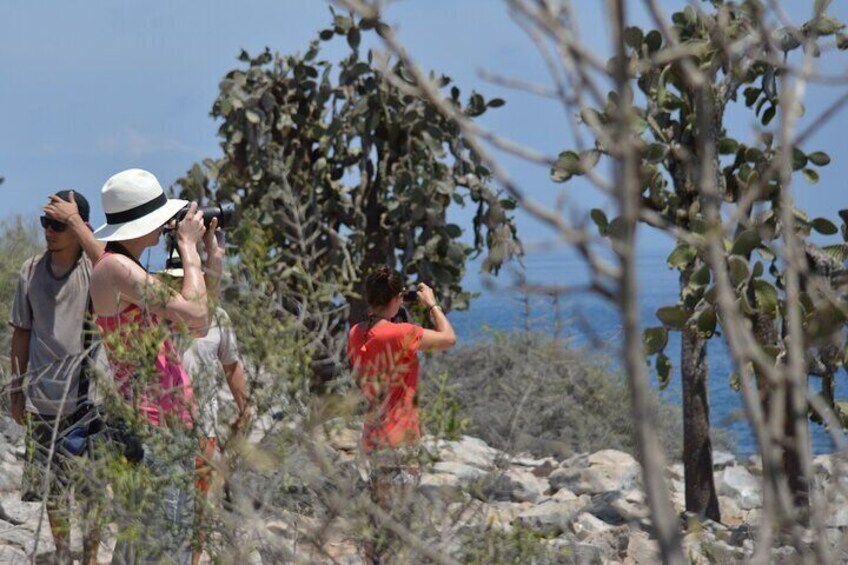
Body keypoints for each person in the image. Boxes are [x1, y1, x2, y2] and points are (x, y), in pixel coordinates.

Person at [86, 168, 220, 564]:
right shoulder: (115, 269)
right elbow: (195, 309)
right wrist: (189, 251)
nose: (166, 226)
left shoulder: (134, 273)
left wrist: (213, 258)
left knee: (154, 543)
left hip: (168, 423)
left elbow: (199, 324)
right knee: (160, 545)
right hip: (151, 424)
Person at [8, 190, 103, 565]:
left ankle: (92, 557)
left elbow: (110, 263)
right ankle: (63, 553)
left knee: (94, 488)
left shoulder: (94, 270)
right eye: (46, 222)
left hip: (88, 400)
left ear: (79, 227)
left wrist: (81, 229)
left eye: (59, 224)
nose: (50, 231)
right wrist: (16, 391)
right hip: (44, 401)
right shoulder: (30, 271)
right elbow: (21, 334)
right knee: (54, 490)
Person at [346, 266, 456, 563]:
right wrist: (431, 304)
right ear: (397, 298)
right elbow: (448, 338)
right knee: (399, 528)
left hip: (371, 439)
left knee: (377, 524)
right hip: (400, 442)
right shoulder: (401, 333)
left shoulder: (355, 334)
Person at [160, 252, 250, 565]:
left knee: (196, 509)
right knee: (161, 508)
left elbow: (231, 365)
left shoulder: (217, 318)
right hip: (159, 428)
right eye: (172, 276)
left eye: (182, 274)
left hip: (203, 430)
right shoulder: (153, 313)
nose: (176, 281)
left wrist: (245, 408)